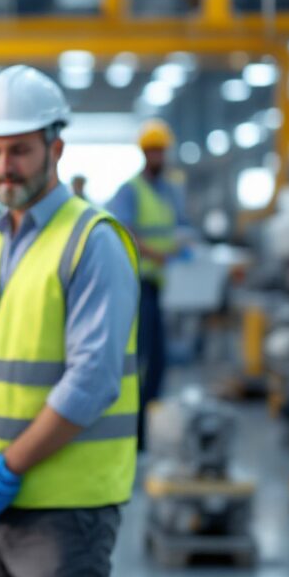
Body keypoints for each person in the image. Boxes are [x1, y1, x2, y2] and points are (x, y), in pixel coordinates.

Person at [0, 65, 139, 577]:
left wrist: (7, 468)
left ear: (56, 148)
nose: (5, 166)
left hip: (64, 513)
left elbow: (92, 380)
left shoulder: (92, 241)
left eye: (19, 150)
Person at [107, 119, 187, 447]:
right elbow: (125, 233)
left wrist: (185, 247)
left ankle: (148, 429)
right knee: (138, 361)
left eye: (161, 151)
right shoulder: (130, 191)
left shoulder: (170, 191)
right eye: (152, 151)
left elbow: (179, 228)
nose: (158, 156)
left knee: (159, 362)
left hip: (165, 286)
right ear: (143, 153)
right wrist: (159, 254)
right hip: (138, 287)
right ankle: (134, 432)